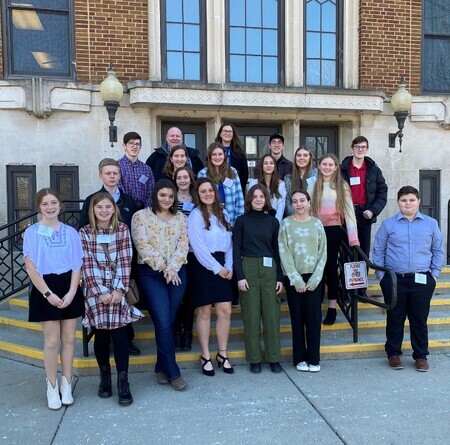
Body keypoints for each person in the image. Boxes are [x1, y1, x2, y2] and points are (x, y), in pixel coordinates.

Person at [80, 192, 143, 406]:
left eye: (108, 207)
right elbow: (87, 263)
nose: (104, 211)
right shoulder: (85, 233)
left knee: (119, 336)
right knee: (101, 336)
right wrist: (100, 292)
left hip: (118, 291)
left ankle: (123, 382)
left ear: (114, 209)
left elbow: (126, 260)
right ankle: (105, 378)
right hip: (95, 293)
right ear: (93, 210)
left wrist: (117, 290)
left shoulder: (123, 230)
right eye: (100, 207)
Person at [23, 188, 84, 410]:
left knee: (69, 339)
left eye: (54, 203)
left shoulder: (70, 232)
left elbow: (77, 264)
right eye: (45, 204)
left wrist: (71, 292)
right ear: (39, 207)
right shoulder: (32, 232)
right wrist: (48, 294)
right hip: (44, 287)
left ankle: (66, 383)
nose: (50, 207)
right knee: (51, 341)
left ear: (60, 206)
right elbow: (31, 267)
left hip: (68, 285)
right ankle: (51, 385)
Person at [372, 186, 444, 372]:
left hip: (422, 279)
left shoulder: (431, 224)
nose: (408, 203)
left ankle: (420, 356)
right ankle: (393, 354)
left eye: (411, 200)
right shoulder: (388, 225)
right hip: (394, 280)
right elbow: (378, 251)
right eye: (404, 200)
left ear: (418, 201)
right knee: (395, 317)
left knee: (419, 319)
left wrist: (434, 275)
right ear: (398, 203)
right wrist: (381, 277)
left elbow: (438, 250)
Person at [131, 179, 189, 390]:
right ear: (155, 195)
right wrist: (165, 268)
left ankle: (160, 367)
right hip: (151, 274)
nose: (167, 199)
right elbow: (142, 245)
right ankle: (173, 372)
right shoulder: (141, 217)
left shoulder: (181, 218)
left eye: (170, 196)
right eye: (163, 195)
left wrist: (173, 267)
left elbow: (184, 244)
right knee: (163, 320)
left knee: (168, 320)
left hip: (178, 273)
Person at [78, 158, 140, 355]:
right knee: (102, 310)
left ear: (119, 175)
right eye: (108, 173)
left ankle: (126, 340)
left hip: (122, 261)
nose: (112, 176)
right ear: (101, 175)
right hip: (97, 264)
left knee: (124, 301)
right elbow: (82, 227)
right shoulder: (91, 200)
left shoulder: (129, 201)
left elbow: (133, 232)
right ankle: (103, 339)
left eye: (115, 173)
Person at [233, 184, 284, 373]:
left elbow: (278, 252)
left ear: (266, 199)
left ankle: (274, 358)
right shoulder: (241, 221)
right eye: (254, 196)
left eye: (261, 196)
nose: (258, 199)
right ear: (249, 199)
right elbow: (236, 251)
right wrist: (240, 276)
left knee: (272, 316)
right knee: (251, 316)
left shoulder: (272, 222)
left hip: (270, 269)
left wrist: (280, 278)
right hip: (248, 268)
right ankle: (254, 359)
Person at [187, 178, 234, 376]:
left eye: (210, 190)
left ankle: (222, 354)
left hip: (223, 263)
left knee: (225, 311)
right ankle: (205, 355)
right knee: (204, 311)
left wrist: (229, 266)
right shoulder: (195, 215)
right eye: (203, 191)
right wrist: (217, 269)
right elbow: (198, 247)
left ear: (215, 192)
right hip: (203, 265)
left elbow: (230, 242)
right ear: (198, 194)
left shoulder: (223, 213)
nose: (207, 194)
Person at [308, 153, 359, 325]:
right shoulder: (313, 185)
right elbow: (306, 210)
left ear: (336, 167)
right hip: (314, 230)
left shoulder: (341, 186)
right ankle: (315, 304)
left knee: (330, 268)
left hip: (333, 230)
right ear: (319, 166)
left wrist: (353, 238)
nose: (327, 167)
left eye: (331, 165)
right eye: (324, 164)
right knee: (316, 268)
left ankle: (332, 306)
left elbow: (350, 212)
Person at [279, 190, 327, 372]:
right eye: (295, 201)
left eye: (302, 200)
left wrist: (316, 278)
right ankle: (299, 358)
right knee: (297, 319)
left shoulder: (316, 224)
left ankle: (314, 359)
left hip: (314, 277)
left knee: (314, 320)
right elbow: (284, 252)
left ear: (308, 202)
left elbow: (323, 252)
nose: (299, 204)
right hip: (294, 278)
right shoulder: (286, 224)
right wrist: (295, 280)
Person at [340, 136, 387, 260]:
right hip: (346, 214)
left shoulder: (374, 170)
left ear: (367, 149)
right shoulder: (342, 169)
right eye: (357, 147)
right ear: (352, 149)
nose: (360, 149)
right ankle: (346, 279)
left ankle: (363, 279)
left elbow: (382, 193)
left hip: (365, 214)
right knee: (347, 251)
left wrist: (373, 211)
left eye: (363, 147)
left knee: (363, 252)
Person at [173, 166, 196, 351]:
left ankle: (187, 333)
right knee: (175, 296)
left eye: (185, 177)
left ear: (190, 179)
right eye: (179, 177)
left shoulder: (196, 199)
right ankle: (174, 332)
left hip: (193, 254)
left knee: (188, 297)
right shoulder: (170, 199)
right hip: (174, 254)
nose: (182, 180)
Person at [197, 142, 244, 227]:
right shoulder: (203, 174)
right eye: (214, 154)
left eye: (220, 154)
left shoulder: (233, 172)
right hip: (210, 218)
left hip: (231, 218)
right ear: (210, 156)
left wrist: (238, 220)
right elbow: (199, 198)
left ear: (224, 155)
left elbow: (239, 198)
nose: (217, 157)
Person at [117, 131, 155, 211]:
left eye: (137, 144)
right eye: (131, 143)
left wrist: (146, 210)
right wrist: (126, 207)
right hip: (123, 209)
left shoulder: (146, 169)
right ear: (124, 146)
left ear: (140, 147)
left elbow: (151, 191)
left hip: (143, 211)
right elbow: (119, 190)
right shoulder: (117, 166)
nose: (135, 147)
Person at [248, 154, 286, 223]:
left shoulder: (281, 184)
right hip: (255, 219)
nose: (269, 165)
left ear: (274, 166)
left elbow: (281, 207)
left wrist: (276, 224)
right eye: (265, 163)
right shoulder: (253, 183)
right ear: (261, 166)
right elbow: (250, 203)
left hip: (274, 220)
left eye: (271, 163)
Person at [284, 146, 317, 216]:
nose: (302, 158)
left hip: (313, 218)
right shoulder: (288, 178)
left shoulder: (316, 175)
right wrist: (298, 215)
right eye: (299, 155)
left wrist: (307, 215)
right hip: (294, 218)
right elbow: (287, 202)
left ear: (310, 158)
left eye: (305, 155)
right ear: (295, 158)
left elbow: (318, 198)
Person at [215, 123, 249, 189]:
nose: (227, 133)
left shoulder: (239, 153)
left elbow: (244, 174)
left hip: (235, 189)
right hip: (216, 187)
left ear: (233, 135)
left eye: (230, 131)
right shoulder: (214, 150)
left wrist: (237, 188)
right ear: (220, 134)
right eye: (225, 131)